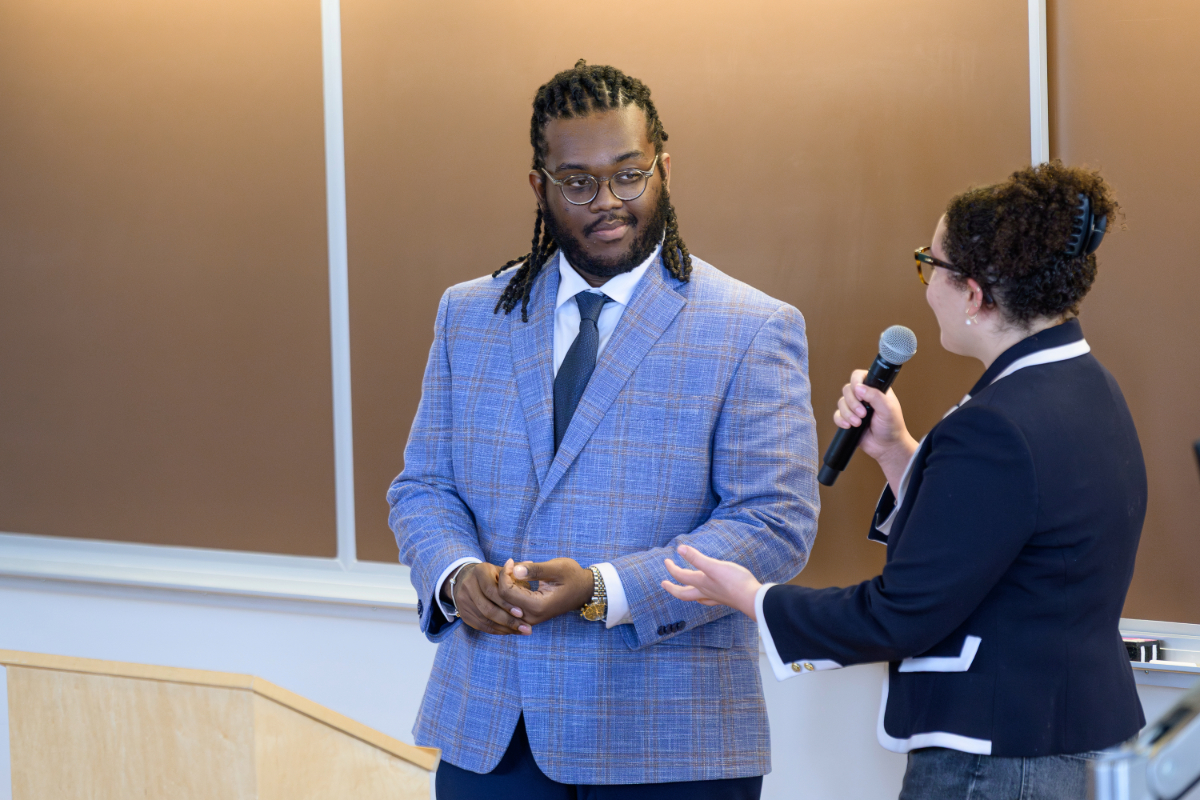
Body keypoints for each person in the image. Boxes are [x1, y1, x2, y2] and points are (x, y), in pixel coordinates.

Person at [387, 60, 819, 799]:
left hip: (672, 741)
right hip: (493, 733)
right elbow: (423, 487)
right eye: (578, 183)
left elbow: (774, 522)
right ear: (540, 187)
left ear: (663, 169)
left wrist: (604, 589)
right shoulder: (470, 314)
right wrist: (456, 577)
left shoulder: (752, 326)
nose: (609, 202)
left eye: (629, 175)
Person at [661, 161, 1146, 799]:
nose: (926, 287)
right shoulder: (1084, 386)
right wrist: (898, 453)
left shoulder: (995, 425)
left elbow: (900, 614)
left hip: (997, 759)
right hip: (1059, 734)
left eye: (931, 265)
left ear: (974, 295)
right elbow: (1001, 527)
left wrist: (754, 598)